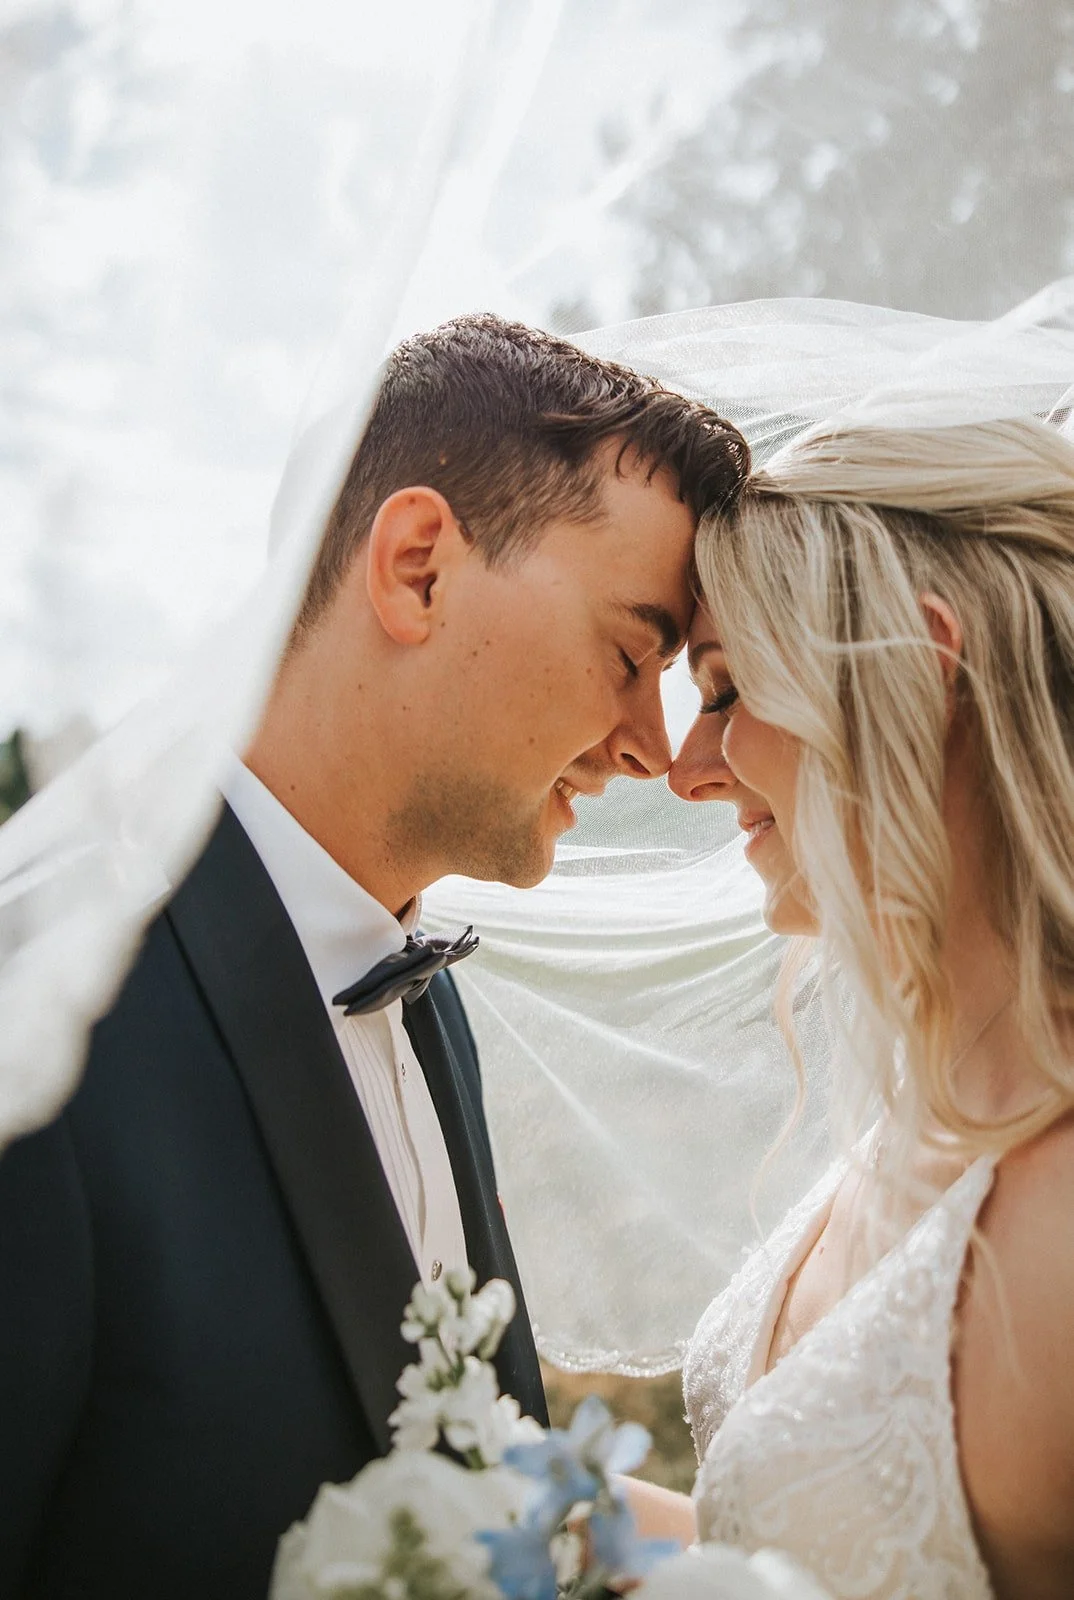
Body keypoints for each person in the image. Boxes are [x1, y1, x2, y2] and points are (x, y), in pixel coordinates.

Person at [0, 313, 749, 1600]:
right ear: (415, 567)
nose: (649, 746)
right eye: (632, 653)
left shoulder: (427, 1005)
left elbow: (473, 1472)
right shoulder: (48, 1016)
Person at [634, 415, 1074, 1599]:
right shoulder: (931, 1099)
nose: (687, 765)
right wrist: (554, 1512)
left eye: (723, 687)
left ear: (917, 671)